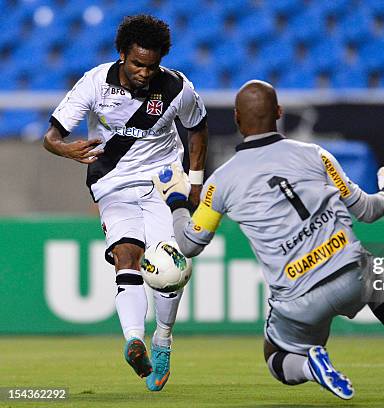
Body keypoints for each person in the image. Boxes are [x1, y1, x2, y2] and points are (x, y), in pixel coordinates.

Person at [153, 80, 384, 400]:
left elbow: (190, 245)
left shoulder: (220, 182)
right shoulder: (317, 155)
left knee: (275, 357)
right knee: (371, 270)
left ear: (236, 118)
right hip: (350, 275)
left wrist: (176, 200)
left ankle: (310, 367)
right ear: (279, 112)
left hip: (298, 299)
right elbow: (368, 211)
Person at [42, 15, 208, 391]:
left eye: (151, 66)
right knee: (126, 254)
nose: (144, 73)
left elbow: (197, 127)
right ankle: (134, 340)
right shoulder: (94, 83)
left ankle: (162, 338)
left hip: (164, 182)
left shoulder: (177, 87)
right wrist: (66, 150)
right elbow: (51, 137)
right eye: (137, 64)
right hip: (112, 182)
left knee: (170, 265)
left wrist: (195, 182)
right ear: (122, 55)